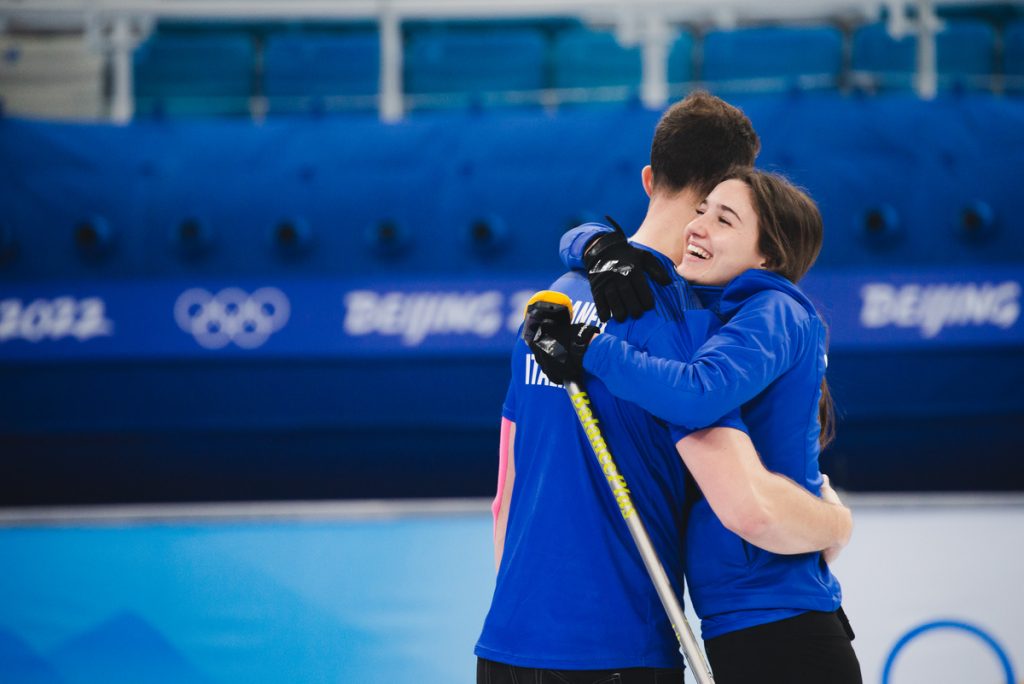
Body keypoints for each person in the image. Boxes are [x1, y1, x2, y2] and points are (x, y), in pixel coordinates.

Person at [475, 92, 853, 684]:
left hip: (507, 645)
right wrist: (836, 523)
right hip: (617, 645)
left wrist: (591, 240)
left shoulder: (551, 303)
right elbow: (746, 505)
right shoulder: (688, 326)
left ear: (650, 178)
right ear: (724, 190)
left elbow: (505, 492)